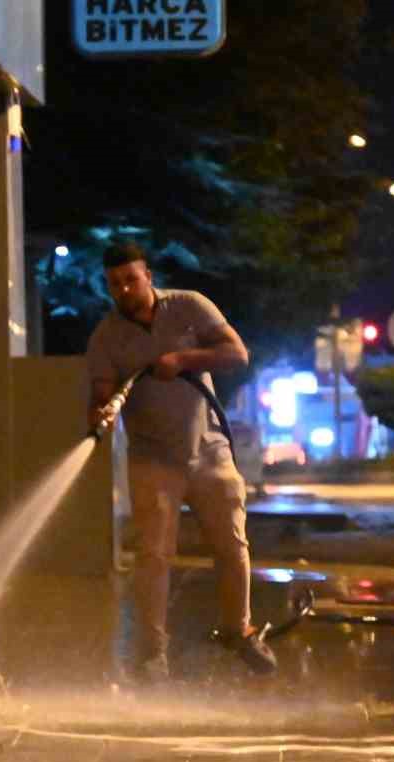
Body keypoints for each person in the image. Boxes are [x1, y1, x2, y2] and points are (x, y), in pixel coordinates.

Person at [86, 242, 277, 683]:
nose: (124, 289)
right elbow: (101, 392)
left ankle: (239, 630)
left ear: (148, 276)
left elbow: (237, 353)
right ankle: (153, 656)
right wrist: (101, 411)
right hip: (153, 458)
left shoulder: (189, 307)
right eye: (115, 284)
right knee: (153, 556)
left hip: (210, 449)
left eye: (131, 279)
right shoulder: (106, 337)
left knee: (232, 546)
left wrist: (183, 359)